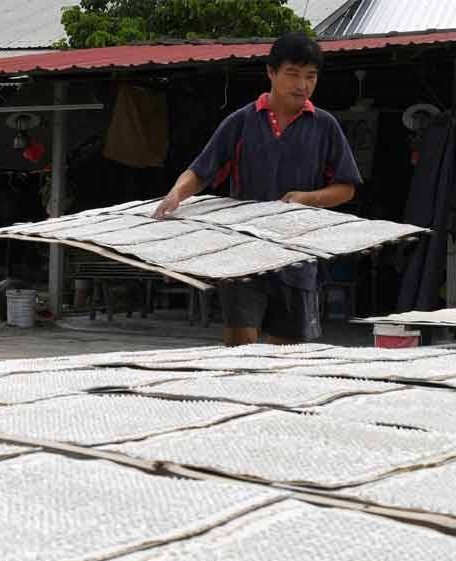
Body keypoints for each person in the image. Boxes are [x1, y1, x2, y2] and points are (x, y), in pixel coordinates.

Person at [153, 32, 362, 346]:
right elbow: (200, 171)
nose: (302, 85)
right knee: (240, 349)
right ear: (271, 72)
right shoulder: (241, 122)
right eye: (293, 75)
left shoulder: (324, 126)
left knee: (287, 354)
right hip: (243, 255)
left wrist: (309, 199)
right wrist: (176, 194)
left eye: (310, 77)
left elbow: (347, 188)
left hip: (297, 256)